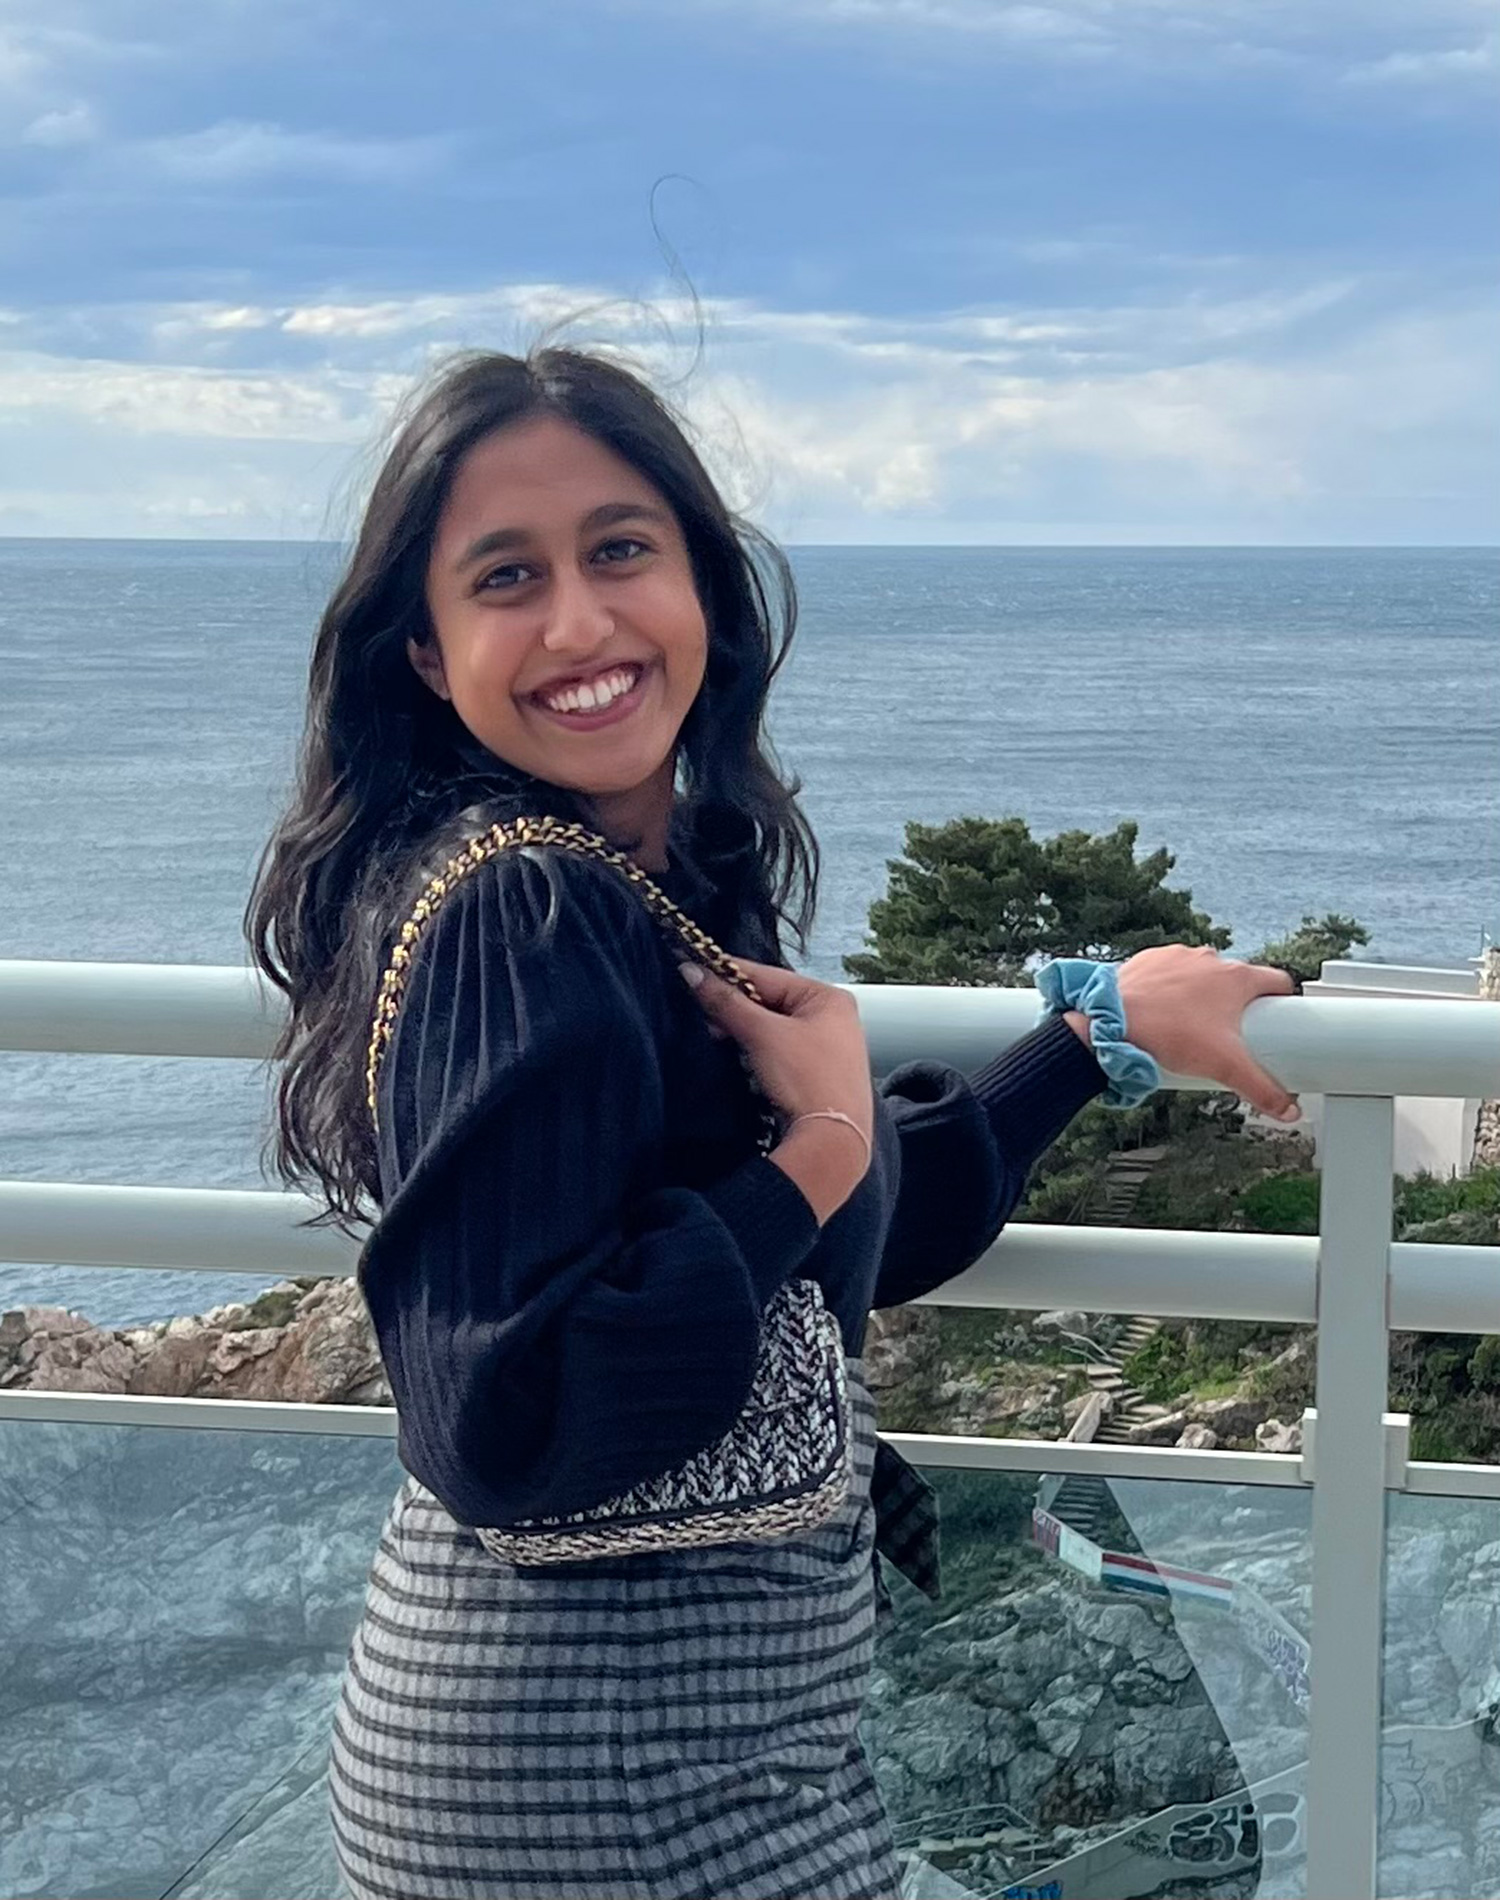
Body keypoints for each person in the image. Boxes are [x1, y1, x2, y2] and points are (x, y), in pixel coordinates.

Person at [246, 343, 1302, 1900]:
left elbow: (820, 1248)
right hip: (609, 1774)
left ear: (704, 589)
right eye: (506, 578)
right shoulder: (527, 909)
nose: (582, 623)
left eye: (619, 551)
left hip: (676, 1748)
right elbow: (504, 1415)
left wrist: (1093, 1041)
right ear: (425, 650)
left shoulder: (625, 886)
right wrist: (814, 1151)